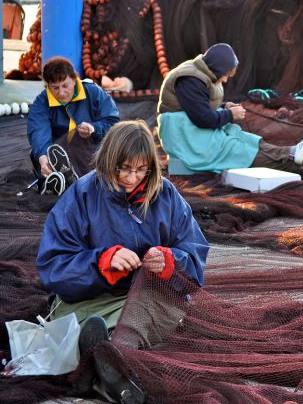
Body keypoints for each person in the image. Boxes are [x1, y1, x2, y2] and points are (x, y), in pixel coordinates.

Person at [36, 120, 210, 403]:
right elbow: (52, 266)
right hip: (89, 299)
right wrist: (102, 263)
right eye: (124, 169)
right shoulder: (81, 194)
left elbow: (195, 254)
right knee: (78, 321)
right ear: (108, 160)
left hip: (149, 298)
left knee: (150, 314)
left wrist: (169, 262)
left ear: (151, 167)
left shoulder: (166, 195)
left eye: (141, 170)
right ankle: (112, 361)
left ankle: (102, 359)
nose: (131, 178)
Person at [157, 43, 303, 174]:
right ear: (217, 68)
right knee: (234, 150)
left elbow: (195, 105)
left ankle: (293, 152)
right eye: (225, 75)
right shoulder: (190, 80)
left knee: (244, 139)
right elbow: (202, 118)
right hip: (184, 135)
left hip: (191, 128)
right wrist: (229, 115)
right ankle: (293, 158)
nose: (225, 80)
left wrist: (224, 107)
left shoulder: (202, 73)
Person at [27, 56, 120, 195]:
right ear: (47, 86)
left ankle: (67, 183)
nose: (61, 92)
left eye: (65, 85)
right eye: (55, 88)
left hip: (91, 150)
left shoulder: (93, 92)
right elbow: (38, 131)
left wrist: (94, 129)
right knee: (41, 152)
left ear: (75, 80)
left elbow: (113, 123)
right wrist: (43, 160)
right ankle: (57, 178)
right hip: (57, 153)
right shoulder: (42, 101)